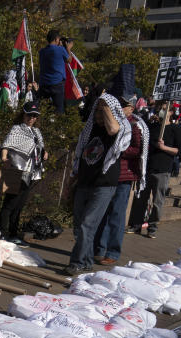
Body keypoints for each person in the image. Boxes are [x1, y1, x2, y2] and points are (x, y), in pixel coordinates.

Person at [63, 69, 132, 276]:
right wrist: (72, 179)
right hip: (84, 180)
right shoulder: (91, 129)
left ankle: (76, 262)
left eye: (104, 111)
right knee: (79, 226)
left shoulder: (119, 130)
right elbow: (80, 154)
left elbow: (113, 129)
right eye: (97, 110)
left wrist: (106, 105)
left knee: (87, 225)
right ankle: (85, 262)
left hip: (104, 184)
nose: (100, 114)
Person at [93, 94, 146, 264]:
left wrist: (118, 150)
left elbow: (138, 149)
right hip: (108, 173)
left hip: (124, 175)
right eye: (120, 105)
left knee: (116, 214)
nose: (121, 108)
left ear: (131, 108)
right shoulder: (112, 122)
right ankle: (99, 249)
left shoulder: (135, 125)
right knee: (103, 212)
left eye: (125, 106)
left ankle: (113, 252)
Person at [128, 107, 181, 238]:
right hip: (147, 168)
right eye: (162, 108)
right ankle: (136, 224)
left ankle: (152, 227)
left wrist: (164, 147)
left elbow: (179, 150)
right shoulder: (152, 127)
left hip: (163, 170)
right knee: (141, 198)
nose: (163, 111)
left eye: (166, 109)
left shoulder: (176, 130)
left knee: (158, 201)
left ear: (171, 113)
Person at [0, 101, 45, 246]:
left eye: (35, 116)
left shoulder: (36, 132)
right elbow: (7, 144)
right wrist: (4, 158)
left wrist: (44, 153)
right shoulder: (17, 129)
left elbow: (39, 149)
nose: (32, 118)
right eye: (29, 115)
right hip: (16, 170)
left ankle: (13, 233)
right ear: (23, 114)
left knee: (19, 204)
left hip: (30, 172)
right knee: (10, 203)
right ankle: (3, 233)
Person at [37, 30, 72, 114]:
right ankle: (57, 125)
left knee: (42, 108)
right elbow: (69, 60)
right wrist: (68, 48)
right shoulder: (60, 49)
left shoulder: (42, 51)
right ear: (56, 39)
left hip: (44, 84)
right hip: (57, 84)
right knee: (58, 110)